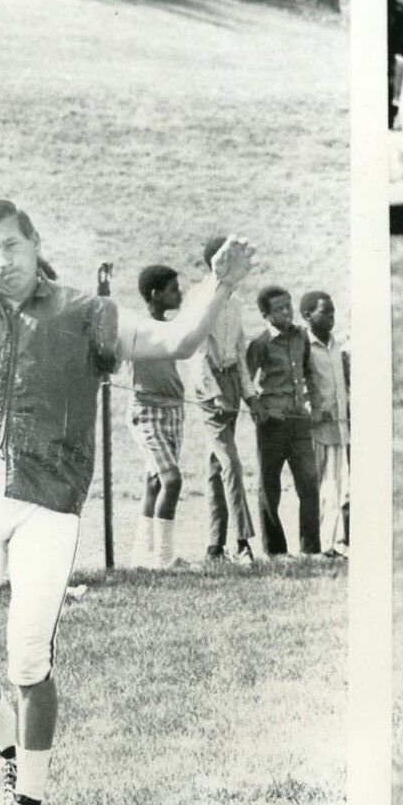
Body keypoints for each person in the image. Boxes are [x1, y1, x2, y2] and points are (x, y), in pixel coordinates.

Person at [0, 147, 254, 805]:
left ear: (36, 245)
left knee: (28, 657)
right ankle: (13, 756)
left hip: (48, 502)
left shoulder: (87, 311)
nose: (0, 260)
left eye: (11, 245)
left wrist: (217, 287)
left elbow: (178, 340)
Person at [189, 235, 259, 563]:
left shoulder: (234, 301)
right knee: (231, 463)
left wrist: (249, 395)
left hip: (230, 383)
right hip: (209, 389)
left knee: (216, 464)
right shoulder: (202, 298)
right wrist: (214, 393)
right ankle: (242, 542)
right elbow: (198, 352)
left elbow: (240, 352)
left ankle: (214, 546)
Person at [246, 285, 321, 557]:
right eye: (279, 309)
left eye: (288, 306)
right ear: (266, 314)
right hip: (272, 425)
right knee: (270, 486)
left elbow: (309, 374)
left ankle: (311, 549)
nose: (287, 313)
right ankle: (276, 552)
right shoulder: (260, 344)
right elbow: (246, 382)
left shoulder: (301, 337)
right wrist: (259, 408)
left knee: (309, 482)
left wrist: (315, 403)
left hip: (300, 421)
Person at [127, 264, 187, 569]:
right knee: (171, 480)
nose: (180, 294)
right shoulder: (136, 329)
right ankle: (164, 559)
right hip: (147, 411)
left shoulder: (173, 327)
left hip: (174, 411)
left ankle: (143, 556)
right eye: (173, 289)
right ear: (155, 294)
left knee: (155, 482)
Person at [300, 290, 349, 559]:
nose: (331, 317)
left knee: (337, 486)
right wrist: (313, 409)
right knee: (320, 488)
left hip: (340, 426)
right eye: (324, 312)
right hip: (316, 429)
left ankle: (332, 544)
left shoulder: (337, 344)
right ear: (307, 316)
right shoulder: (304, 345)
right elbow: (301, 382)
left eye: (333, 312)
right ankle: (317, 546)